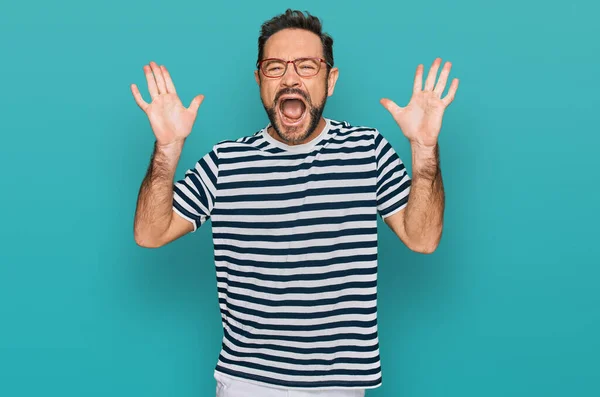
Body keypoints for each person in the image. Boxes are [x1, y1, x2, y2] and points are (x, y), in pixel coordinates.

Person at [131, 8, 458, 397]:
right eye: (274, 67)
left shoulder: (367, 150)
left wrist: (423, 149)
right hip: (246, 383)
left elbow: (423, 239)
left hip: (339, 387)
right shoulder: (225, 162)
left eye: (306, 66)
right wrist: (167, 149)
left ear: (329, 80)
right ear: (258, 80)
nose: (290, 78)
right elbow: (149, 234)